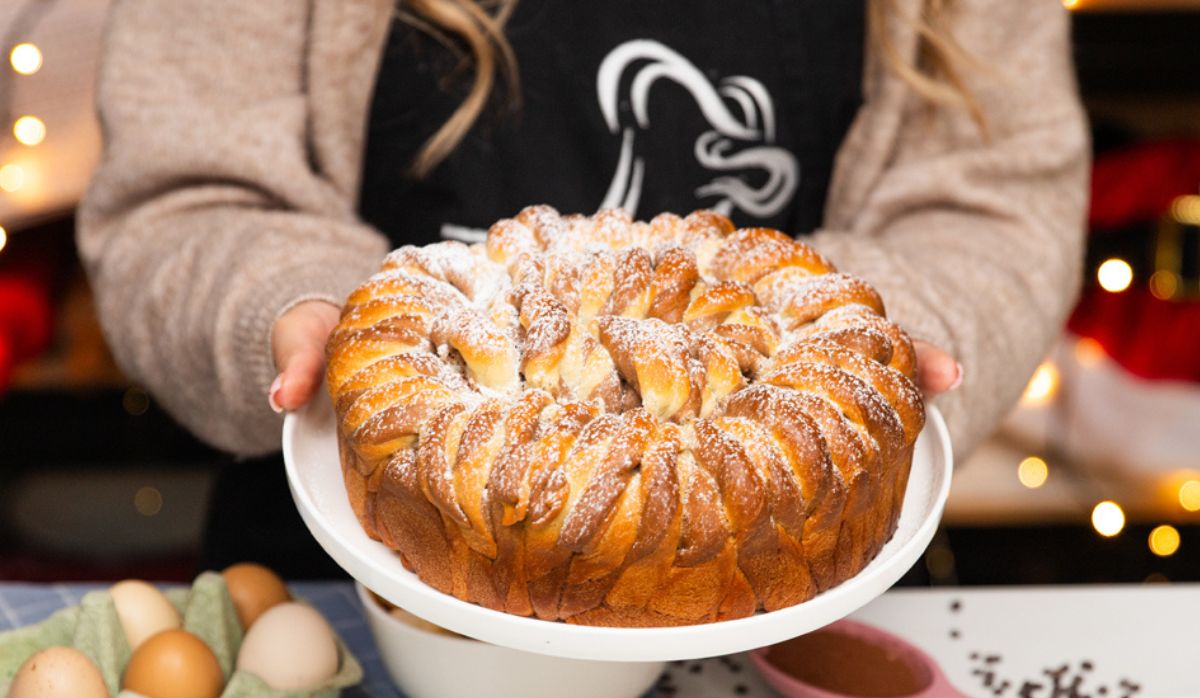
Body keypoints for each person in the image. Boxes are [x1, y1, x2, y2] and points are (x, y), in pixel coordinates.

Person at [76, 0, 1089, 575]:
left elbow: (990, 203)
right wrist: (292, 302)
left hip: (804, 600)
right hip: (355, 593)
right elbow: (186, 194)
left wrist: (854, 346)